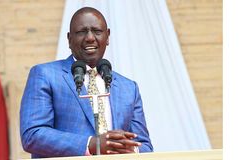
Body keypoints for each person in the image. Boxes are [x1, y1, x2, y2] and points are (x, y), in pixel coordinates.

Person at [20, 7, 153, 158]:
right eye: (82, 32)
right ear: (69, 39)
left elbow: (145, 146)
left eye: (97, 31)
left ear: (107, 36)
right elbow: (33, 135)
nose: (90, 37)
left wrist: (127, 148)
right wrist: (91, 144)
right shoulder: (45, 75)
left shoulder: (128, 88)